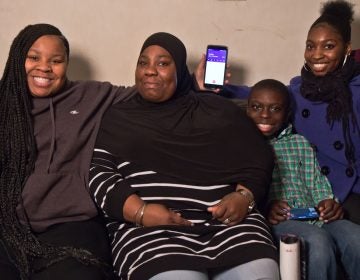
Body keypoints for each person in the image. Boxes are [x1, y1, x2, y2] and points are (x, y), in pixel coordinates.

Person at [89, 32, 279, 280]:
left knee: (261, 274)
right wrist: (142, 212)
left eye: (163, 63)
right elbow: (99, 173)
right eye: (143, 62)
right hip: (152, 231)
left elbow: (258, 159)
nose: (150, 71)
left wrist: (243, 197)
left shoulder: (216, 110)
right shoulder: (118, 117)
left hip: (229, 226)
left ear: (179, 70)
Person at [199, 0, 360, 225]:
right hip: (314, 192)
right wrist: (213, 88)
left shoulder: (356, 89)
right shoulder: (298, 90)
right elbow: (256, 94)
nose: (316, 55)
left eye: (328, 46)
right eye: (310, 46)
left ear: (347, 49)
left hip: (351, 190)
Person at [0, 23, 138, 280]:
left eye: (56, 60)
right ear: (18, 59)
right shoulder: (3, 103)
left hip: (72, 223)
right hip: (9, 225)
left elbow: (147, 93)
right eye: (33, 57)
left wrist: (192, 83)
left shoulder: (88, 96)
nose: (44, 67)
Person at [245, 78, 360, 280]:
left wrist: (327, 201)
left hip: (315, 214)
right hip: (280, 220)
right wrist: (265, 208)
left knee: (355, 238)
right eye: (256, 107)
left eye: (275, 109)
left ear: (287, 113)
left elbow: (316, 180)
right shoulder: (244, 145)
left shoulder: (299, 143)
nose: (264, 114)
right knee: (317, 243)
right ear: (247, 110)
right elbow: (241, 191)